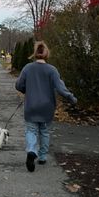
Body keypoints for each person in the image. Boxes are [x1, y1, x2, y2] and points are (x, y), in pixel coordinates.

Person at [15, 40, 77, 172]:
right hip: (47, 107)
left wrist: (26, 89)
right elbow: (61, 88)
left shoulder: (27, 68)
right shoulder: (52, 70)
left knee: (31, 130)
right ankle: (42, 156)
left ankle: (32, 150)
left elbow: (19, 85)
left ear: (35, 53)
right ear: (47, 54)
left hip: (31, 106)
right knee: (44, 131)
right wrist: (71, 98)